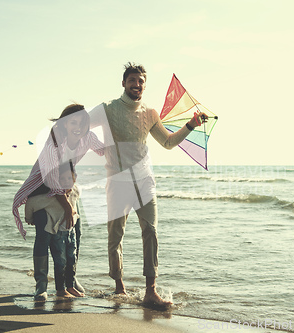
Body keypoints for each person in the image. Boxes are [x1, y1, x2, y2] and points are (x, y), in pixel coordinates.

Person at [89, 62, 208, 307]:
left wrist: (191, 125)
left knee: (151, 232)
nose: (137, 84)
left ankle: (150, 290)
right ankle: (119, 286)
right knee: (115, 237)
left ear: (145, 84)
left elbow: (167, 142)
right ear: (123, 83)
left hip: (144, 181)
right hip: (117, 182)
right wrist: (98, 147)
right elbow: (80, 127)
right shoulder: (107, 109)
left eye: (141, 80)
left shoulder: (151, 114)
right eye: (132, 80)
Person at [12, 104, 104, 301]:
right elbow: (50, 178)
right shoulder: (53, 141)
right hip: (42, 189)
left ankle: (70, 278)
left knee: (75, 233)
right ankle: (41, 285)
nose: (78, 126)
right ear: (64, 123)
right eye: (73, 122)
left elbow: (105, 152)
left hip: (66, 184)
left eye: (82, 122)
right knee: (44, 236)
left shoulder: (87, 137)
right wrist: (67, 207)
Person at [25, 162, 83, 299]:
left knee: (71, 254)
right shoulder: (51, 151)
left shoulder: (75, 190)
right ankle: (43, 285)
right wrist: (29, 217)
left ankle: (70, 282)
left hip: (69, 232)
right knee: (51, 249)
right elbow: (33, 202)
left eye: (71, 179)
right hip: (46, 191)